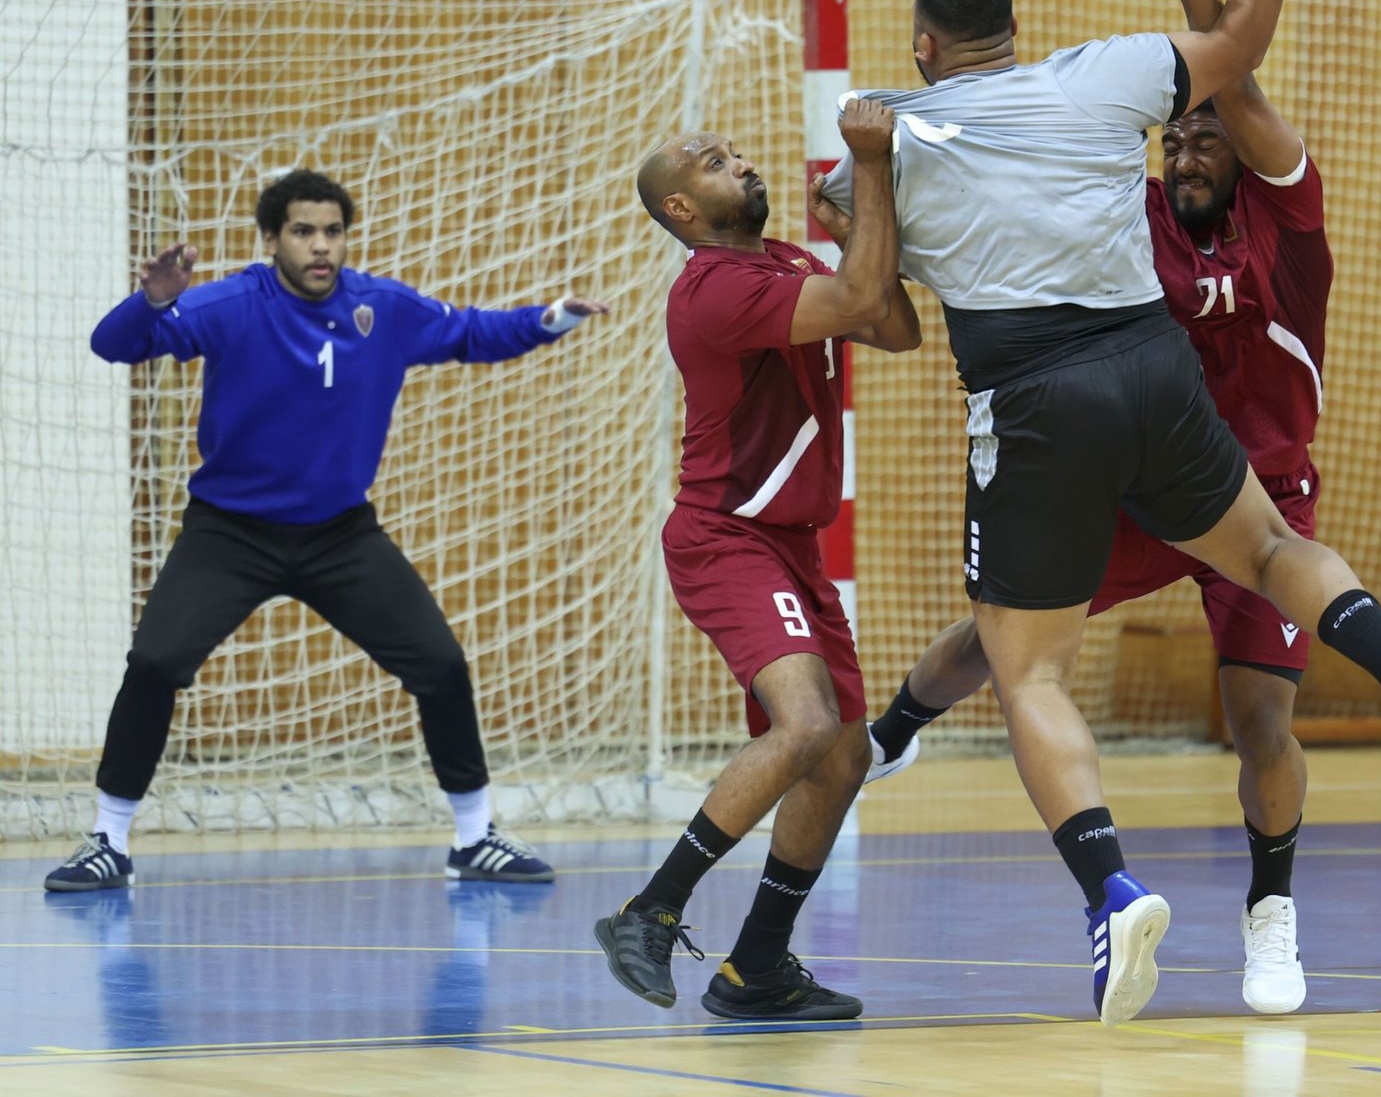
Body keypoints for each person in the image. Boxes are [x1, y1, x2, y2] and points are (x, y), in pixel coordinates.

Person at [817, 0, 1381, 1029]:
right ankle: (896, 733)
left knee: (1052, 669)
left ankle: (1151, 896)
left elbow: (878, 314)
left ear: (923, 43)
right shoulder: (1106, 102)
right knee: (1028, 627)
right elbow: (1227, 56)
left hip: (1080, 414)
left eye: (1201, 139)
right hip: (1157, 407)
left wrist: (862, 182)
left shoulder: (1279, 211)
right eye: (1175, 138)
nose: (1184, 148)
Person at [43, 169, 609, 893]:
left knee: (439, 664)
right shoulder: (230, 303)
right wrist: (151, 300)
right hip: (230, 534)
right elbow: (113, 345)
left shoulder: (384, 307)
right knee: (154, 663)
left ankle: (475, 837)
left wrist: (552, 316)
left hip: (339, 535)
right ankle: (108, 841)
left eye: (333, 231)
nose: (321, 247)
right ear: (272, 238)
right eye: (304, 231)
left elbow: (472, 331)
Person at [594, 99, 920, 1022]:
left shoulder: (783, 263)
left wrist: (854, 225)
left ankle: (757, 969)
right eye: (712, 162)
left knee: (845, 755)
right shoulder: (712, 289)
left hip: (790, 546)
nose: (738, 163)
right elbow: (861, 300)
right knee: (808, 724)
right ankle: (648, 909)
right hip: (725, 537)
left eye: (734, 151)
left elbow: (894, 327)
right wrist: (874, 169)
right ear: (682, 212)